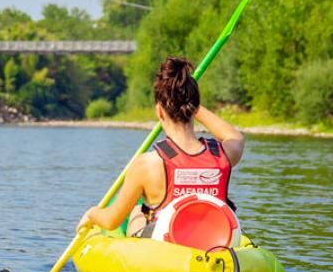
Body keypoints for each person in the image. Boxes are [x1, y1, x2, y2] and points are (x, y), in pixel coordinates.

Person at [76, 56, 245, 237]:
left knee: (136, 212)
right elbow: (233, 135)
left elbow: (111, 221)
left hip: (167, 249)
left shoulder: (147, 164)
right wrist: (192, 104)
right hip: (214, 243)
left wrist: (92, 213)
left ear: (159, 111)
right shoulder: (224, 155)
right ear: (193, 108)